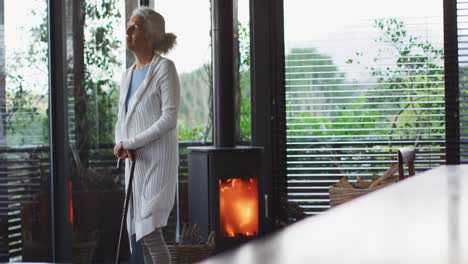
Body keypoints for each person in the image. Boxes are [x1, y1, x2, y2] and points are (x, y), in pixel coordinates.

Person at [114, 6, 180, 264]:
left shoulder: (165, 69)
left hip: (158, 162)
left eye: (135, 27)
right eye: (128, 25)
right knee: (141, 236)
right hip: (135, 163)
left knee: (151, 233)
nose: (128, 30)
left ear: (151, 35)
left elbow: (169, 119)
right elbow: (123, 116)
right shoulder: (128, 74)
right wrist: (119, 143)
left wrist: (129, 142)